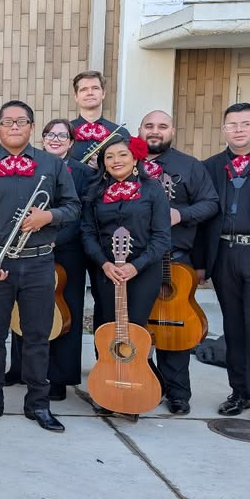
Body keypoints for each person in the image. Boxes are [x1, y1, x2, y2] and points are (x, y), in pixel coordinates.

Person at [0, 101, 80, 432]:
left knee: (38, 337)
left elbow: (73, 207)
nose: (15, 126)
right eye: (8, 122)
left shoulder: (52, 166)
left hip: (40, 263)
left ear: (31, 127)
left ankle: (38, 405)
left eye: (22, 121)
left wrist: (49, 216)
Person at [195, 103, 250, 435]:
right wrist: (202, 263)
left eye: (245, 124)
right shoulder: (211, 167)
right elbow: (203, 219)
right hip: (225, 255)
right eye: (232, 125)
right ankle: (240, 392)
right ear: (224, 129)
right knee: (234, 328)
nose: (239, 130)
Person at [82, 136, 171, 415]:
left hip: (143, 271)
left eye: (122, 155)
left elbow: (162, 237)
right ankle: (106, 389)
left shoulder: (153, 191)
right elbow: (87, 232)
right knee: (106, 326)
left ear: (135, 159)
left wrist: (136, 265)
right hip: (106, 270)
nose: (116, 161)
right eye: (109, 157)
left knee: (135, 328)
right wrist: (104, 263)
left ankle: (134, 386)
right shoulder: (95, 192)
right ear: (103, 163)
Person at [137, 111, 219, 413]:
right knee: (138, 327)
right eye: (149, 126)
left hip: (176, 258)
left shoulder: (189, 166)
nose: (154, 132)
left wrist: (180, 214)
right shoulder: (127, 162)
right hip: (136, 261)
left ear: (172, 130)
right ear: (140, 130)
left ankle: (177, 393)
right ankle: (144, 383)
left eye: (161, 126)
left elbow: (211, 203)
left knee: (173, 326)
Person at [6, 119, 94, 399]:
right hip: (29, 248)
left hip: (67, 252)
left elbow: (82, 212)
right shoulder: (31, 164)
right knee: (24, 309)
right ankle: (20, 367)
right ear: (42, 139)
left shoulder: (83, 173)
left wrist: (56, 238)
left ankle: (59, 375)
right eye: (49, 134)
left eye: (62, 135)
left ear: (71, 142)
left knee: (65, 312)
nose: (55, 139)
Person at [69, 70, 124, 164]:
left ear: (103, 94)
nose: (90, 92)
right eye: (84, 89)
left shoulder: (120, 132)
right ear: (76, 97)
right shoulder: (63, 131)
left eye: (95, 88)